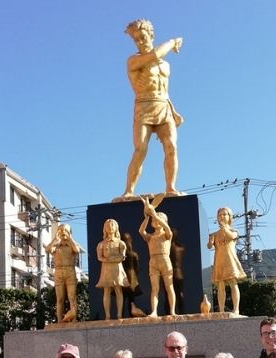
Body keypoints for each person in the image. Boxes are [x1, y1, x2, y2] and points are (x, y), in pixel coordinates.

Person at [122, 19, 184, 198]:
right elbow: (156, 54)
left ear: (151, 36)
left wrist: (173, 110)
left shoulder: (166, 65)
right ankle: (128, 191)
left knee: (171, 146)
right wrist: (172, 43)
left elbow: (164, 89)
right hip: (143, 105)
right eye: (136, 40)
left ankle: (171, 187)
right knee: (140, 149)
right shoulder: (134, 61)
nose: (140, 42)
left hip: (163, 105)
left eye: (143, 37)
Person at [138, 200, 176, 317]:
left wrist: (154, 214)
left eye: (158, 219)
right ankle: (154, 311)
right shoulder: (150, 236)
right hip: (153, 261)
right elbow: (141, 231)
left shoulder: (167, 234)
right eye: (154, 220)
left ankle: (172, 311)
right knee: (155, 288)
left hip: (165, 260)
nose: (155, 220)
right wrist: (147, 217)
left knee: (169, 286)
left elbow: (167, 227)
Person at [207, 207, 247, 314]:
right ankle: (221, 310)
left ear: (230, 217)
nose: (222, 217)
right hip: (219, 261)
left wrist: (225, 228)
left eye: (225, 214)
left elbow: (232, 236)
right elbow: (209, 246)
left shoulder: (233, 231)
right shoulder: (215, 234)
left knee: (233, 282)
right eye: (220, 215)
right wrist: (210, 242)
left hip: (230, 260)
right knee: (220, 285)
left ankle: (236, 308)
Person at [45, 223, 83, 323]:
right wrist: (55, 239)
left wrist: (70, 238)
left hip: (70, 271)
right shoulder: (56, 246)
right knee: (60, 298)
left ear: (70, 233)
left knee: (72, 297)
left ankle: (74, 319)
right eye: (60, 230)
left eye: (65, 230)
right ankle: (59, 320)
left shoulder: (72, 245)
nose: (63, 232)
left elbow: (77, 250)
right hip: (58, 272)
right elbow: (48, 249)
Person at [96, 219, 128, 320]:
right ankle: (108, 315)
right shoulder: (101, 244)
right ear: (104, 229)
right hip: (106, 269)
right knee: (106, 291)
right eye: (108, 226)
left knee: (119, 290)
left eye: (112, 225)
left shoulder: (121, 243)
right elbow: (99, 257)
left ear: (116, 228)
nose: (110, 228)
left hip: (117, 268)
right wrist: (109, 260)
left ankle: (119, 314)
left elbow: (122, 256)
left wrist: (111, 259)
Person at [120, 231, 146, 317]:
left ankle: (121, 315)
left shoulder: (121, 255)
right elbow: (137, 268)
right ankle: (131, 315)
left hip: (122, 276)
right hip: (132, 276)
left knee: (122, 298)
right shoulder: (134, 254)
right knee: (131, 299)